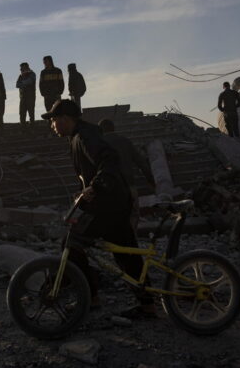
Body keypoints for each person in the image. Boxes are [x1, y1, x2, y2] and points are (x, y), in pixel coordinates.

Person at [42, 99, 155, 318]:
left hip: (106, 204)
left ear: (65, 119)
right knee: (126, 252)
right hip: (112, 202)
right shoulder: (79, 136)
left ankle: (90, 299)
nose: (52, 125)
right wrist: (85, 190)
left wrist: (96, 186)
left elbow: (109, 159)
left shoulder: (86, 136)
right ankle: (147, 305)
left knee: (72, 242)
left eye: (54, 120)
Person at [98, 119, 155, 232]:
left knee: (111, 215)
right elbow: (141, 162)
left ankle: (117, 240)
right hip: (128, 185)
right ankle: (130, 238)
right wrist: (150, 180)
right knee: (133, 214)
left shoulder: (99, 143)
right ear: (114, 128)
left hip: (108, 188)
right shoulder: (125, 142)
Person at [16, 62, 36, 128]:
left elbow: (30, 81)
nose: (21, 70)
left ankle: (32, 127)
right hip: (22, 97)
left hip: (30, 97)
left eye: (22, 68)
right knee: (22, 114)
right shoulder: (20, 76)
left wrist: (22, 83)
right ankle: (23, 128)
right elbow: (17, 85)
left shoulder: (32, 74)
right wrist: (24, 83)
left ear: (26, 67)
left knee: (31, 113)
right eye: (21, 69)